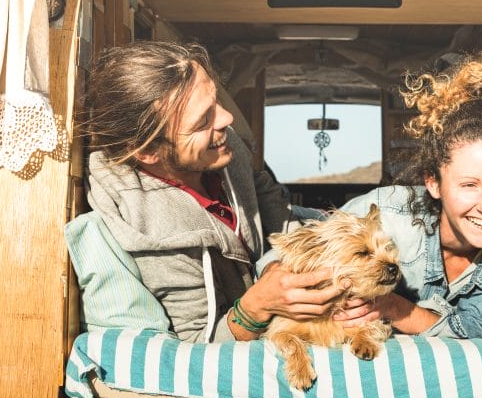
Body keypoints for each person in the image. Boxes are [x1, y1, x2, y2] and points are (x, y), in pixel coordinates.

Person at [80, 40, 343, 343]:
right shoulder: (153, 233)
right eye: (203, 120)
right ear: (149, 150)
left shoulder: (224, 149)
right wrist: (256, 307)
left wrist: (284, 261)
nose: (227, 119)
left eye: (217, 102)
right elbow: (197, 346)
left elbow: (272, 206)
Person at [317, 56, 482, 338]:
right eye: (469, 185)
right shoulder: (386, 215)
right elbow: (290, 258)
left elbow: (479, 329)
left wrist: (390, 306)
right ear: (433, 183)